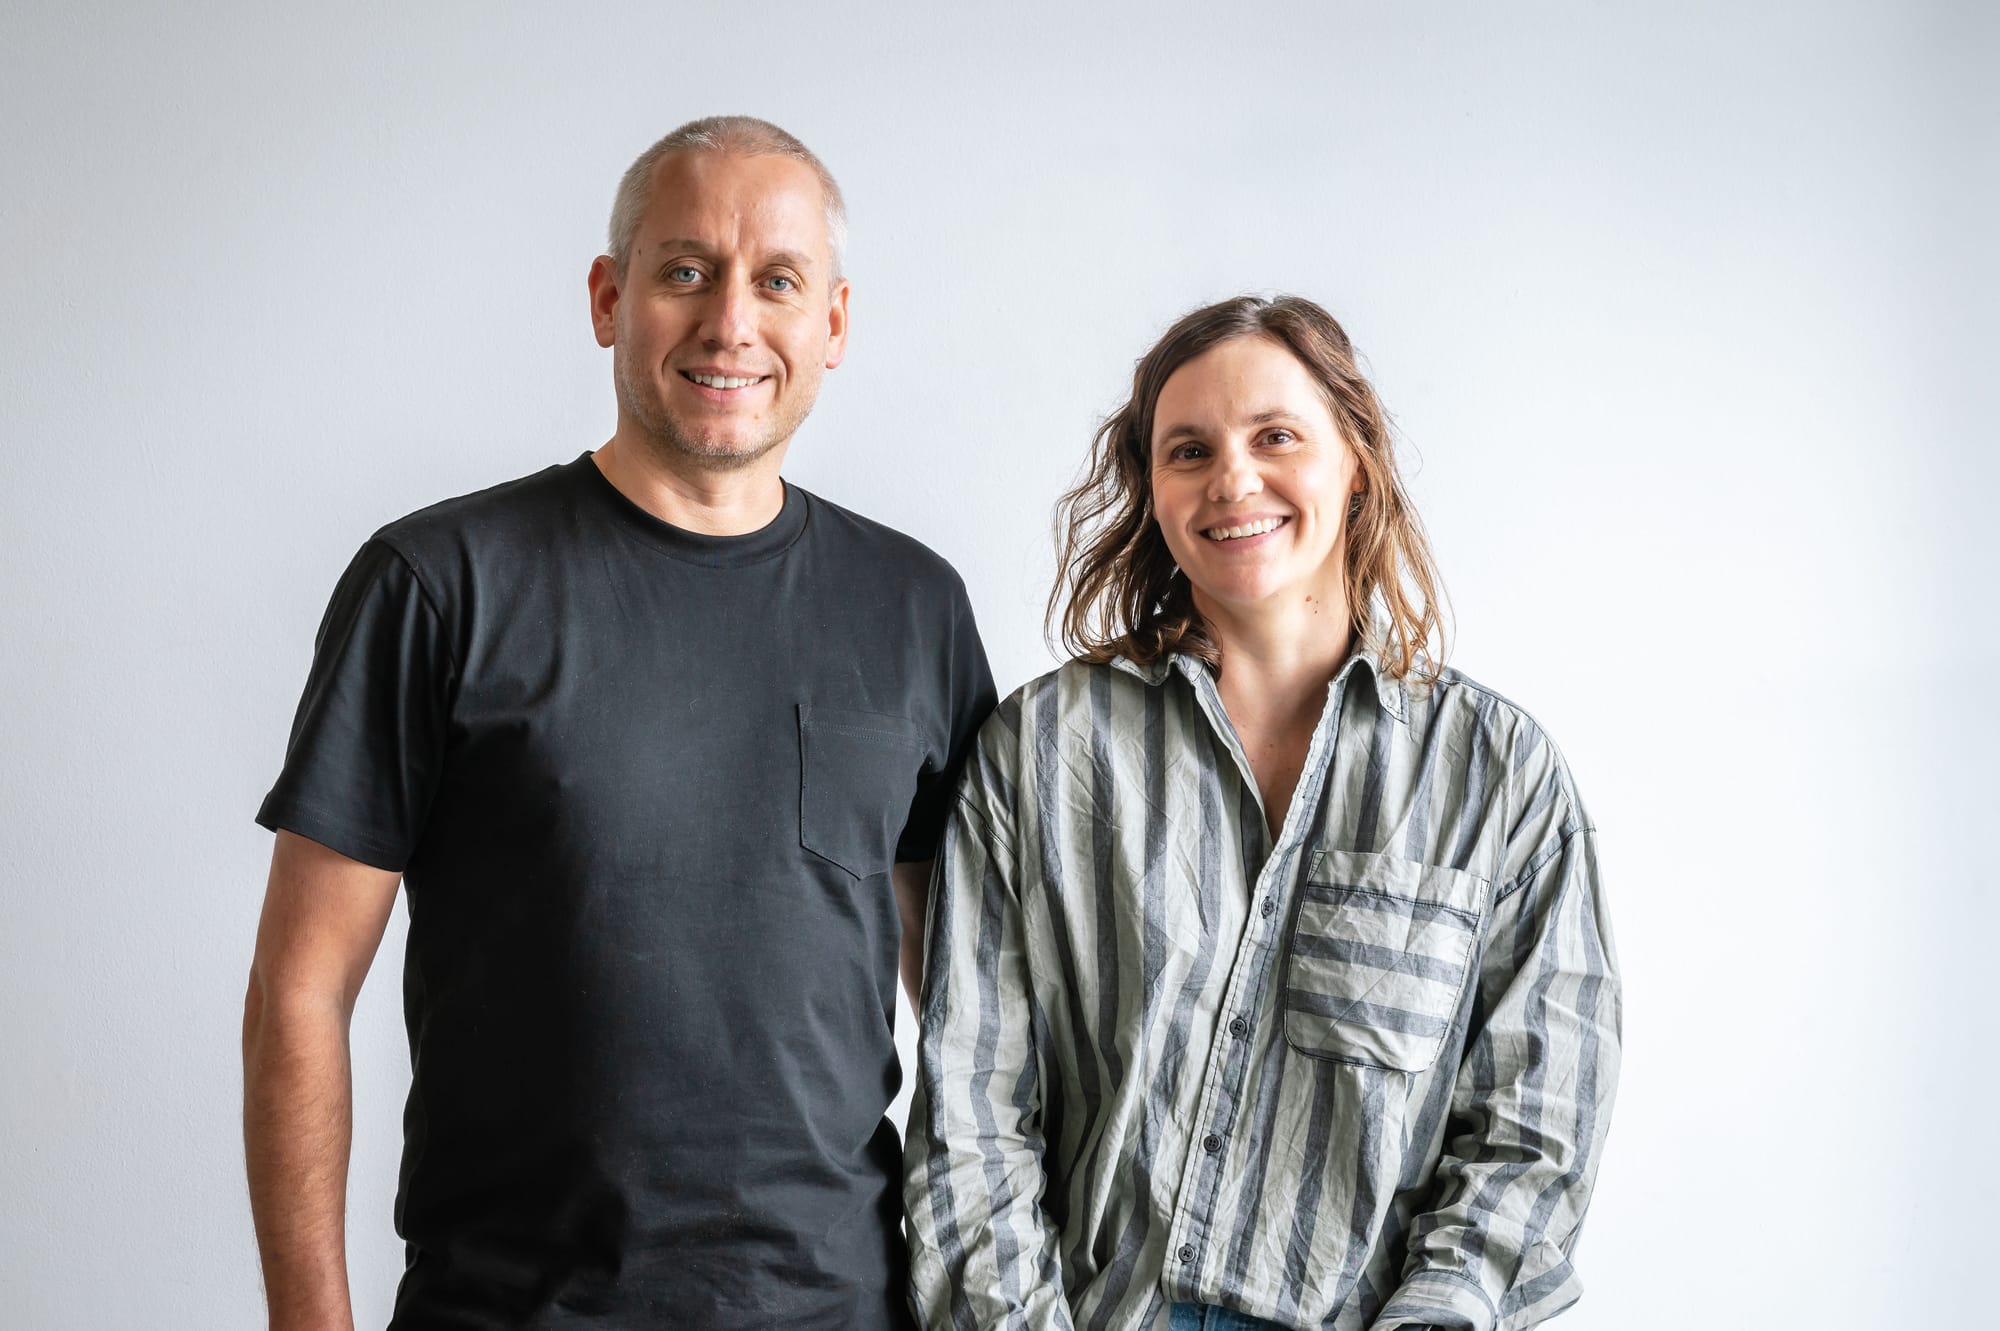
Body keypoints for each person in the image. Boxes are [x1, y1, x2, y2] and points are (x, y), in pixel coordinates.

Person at [243, 115, 995, 1330]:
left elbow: (977, 1017)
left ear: (834, 325)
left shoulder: (913, 605)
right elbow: (299, 987)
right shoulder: (440, 584)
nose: (730, 323)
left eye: (778, 281)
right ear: (609, 297)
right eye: (685, 270)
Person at [904, 295, 1620, 1331]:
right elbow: (969, 1112)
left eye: (1273, 435)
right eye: (1188, 449)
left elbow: (1532, 1134)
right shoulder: (1041, 751)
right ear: (1151, 490)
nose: (1231, 479)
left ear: (1355, 460)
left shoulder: (1498, 778)